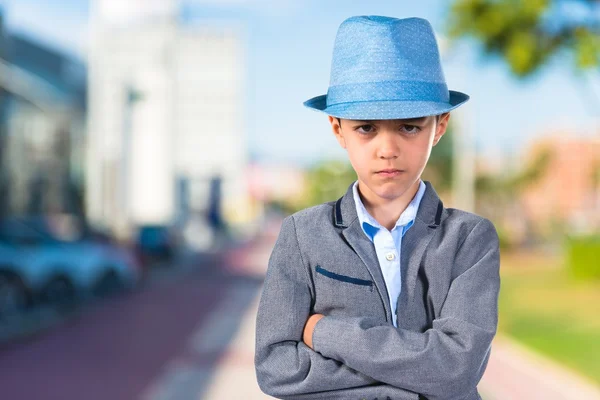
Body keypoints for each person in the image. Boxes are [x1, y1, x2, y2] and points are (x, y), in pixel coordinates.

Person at [254, 15, 500, 400]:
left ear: (440, 126)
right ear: (337, 128)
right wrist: (416, 374)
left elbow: (456, 370)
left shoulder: (470, 238)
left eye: (409, 127)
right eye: (366, 128)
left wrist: (323, 332)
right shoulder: (302, 234)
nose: (387, 149)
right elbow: (276, 369)